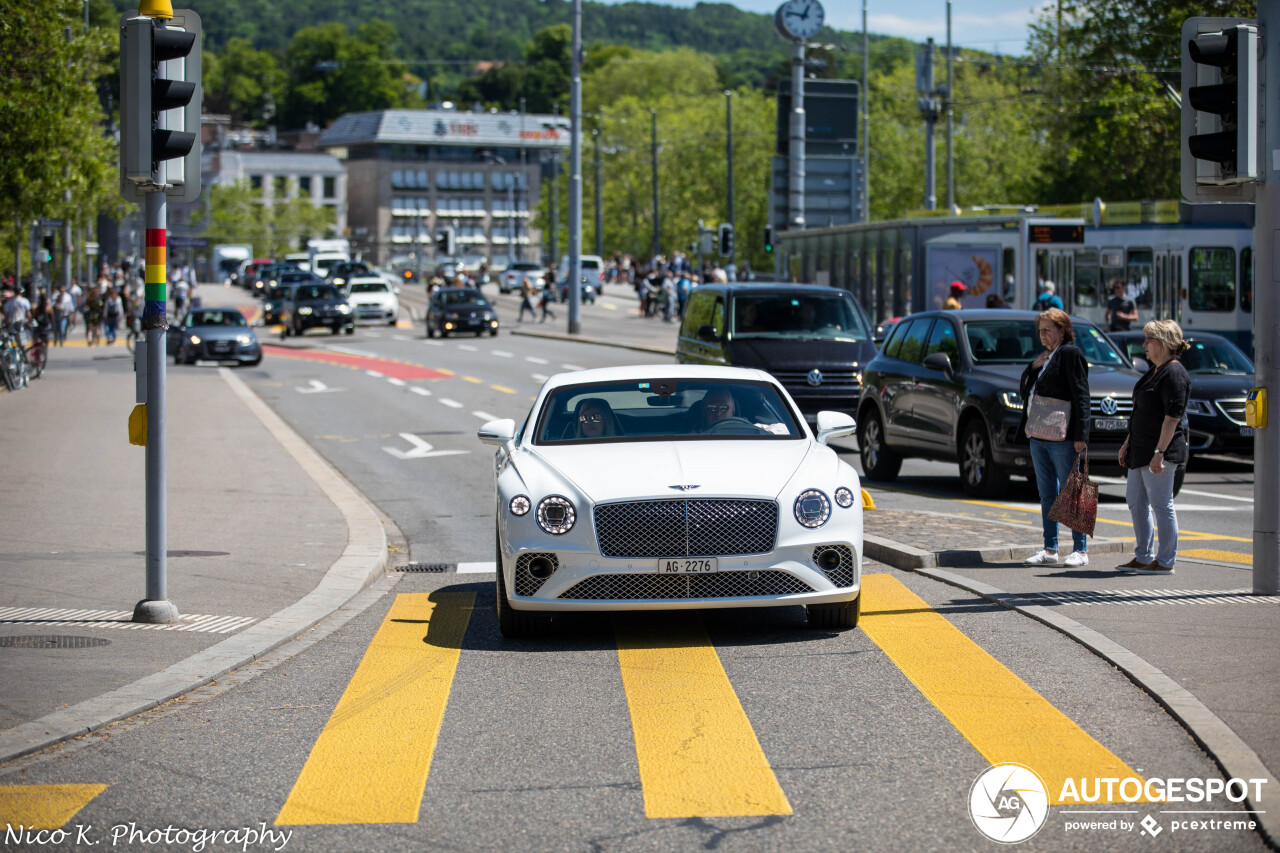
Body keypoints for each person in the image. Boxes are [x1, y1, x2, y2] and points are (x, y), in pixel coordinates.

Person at [1117, 320, 1191, 575]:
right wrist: (1127, 443)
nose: (1144, 345)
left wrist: (1159, 453)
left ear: (1164, 343)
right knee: (1136, 502)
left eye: (1149, 340)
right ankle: (1144, 555)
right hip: (1140, 448)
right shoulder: (1155, 370)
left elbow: (1172, 418)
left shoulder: (1174, 373)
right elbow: (1141, 412)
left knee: (1161, 505)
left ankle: (1165, 560)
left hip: (1159, 451)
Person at [1020, 308, 1091, 566]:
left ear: (1063, 330)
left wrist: (1081, 435)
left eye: (1048, 330)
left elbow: (1082, 395)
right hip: (1039, 435)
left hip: (1063, 436)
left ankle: (1080, 550)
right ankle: (1050, 549)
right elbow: (1024, 390)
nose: (1043, 335)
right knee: (1047, 493)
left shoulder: (1070, 354)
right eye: (1040, 330)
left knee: (1073, 491)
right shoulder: (1045, 358)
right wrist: (1033, 366)